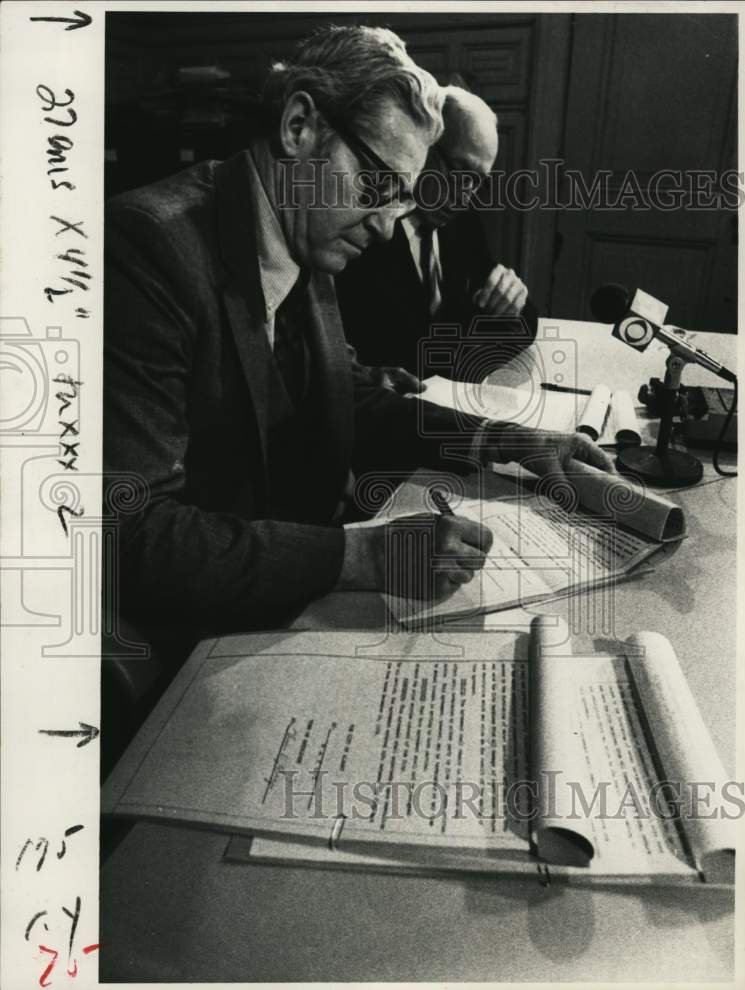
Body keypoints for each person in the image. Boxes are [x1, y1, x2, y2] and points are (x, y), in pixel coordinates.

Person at [104, 26, 614, 664]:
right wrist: (361, 555)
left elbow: (347, 395)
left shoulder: (306, 225)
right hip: (202, 641)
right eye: (377, 185)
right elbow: (128, 531)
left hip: (302, 595)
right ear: (299, 127)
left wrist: (505, 440)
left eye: (402, 197)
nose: (383, 225)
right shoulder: (147, 249)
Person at [336, 85, 537, 392]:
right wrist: (461, 348)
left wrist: (513, 296)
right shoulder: (362, 224)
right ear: (422, 146)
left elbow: (520, 323)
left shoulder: (463, 225)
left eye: (477, 182)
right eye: (459, 171)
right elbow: (381, 355)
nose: (464, 196)